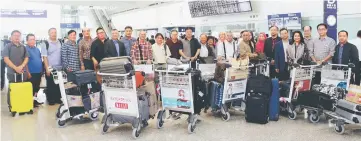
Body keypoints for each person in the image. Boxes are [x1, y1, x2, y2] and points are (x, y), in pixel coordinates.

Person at [3, 30, 29, 101]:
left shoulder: (23, 47)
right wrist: (15, 68)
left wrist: (21, 66)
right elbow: (6, 59)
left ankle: (20, 105)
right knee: (12, 89)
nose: (17, 37)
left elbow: (26, 58)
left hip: (22, 72)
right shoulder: (8, 46)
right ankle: (12, 107)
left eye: (18, 36)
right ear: (11, 37)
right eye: (15, 35)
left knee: (21, 88)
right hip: (11, 73)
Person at [41, 28, 62, 105]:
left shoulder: (60, 42)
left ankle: (57, 98)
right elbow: (44, 56)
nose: (54, 34)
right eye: (52, 32)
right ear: (49, 34)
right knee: (50, 84)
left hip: (59, 67)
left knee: (58, 83)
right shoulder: (45, 43)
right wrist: (47, 68)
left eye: (55, 32)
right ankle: (51, 99)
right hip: (50, 67)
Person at [25, 34, 42, 107]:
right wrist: (28, 72)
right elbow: (25, 62)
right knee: (30, 89)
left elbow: (39, 59)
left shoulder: (37, 49)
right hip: (31, 73)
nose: (33, 41)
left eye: (34, 39)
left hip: (38, 72)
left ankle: (34, 101)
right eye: (31, 39)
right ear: (27, 41)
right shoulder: (25, 49)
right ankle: (29, 103)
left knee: (36, 88)